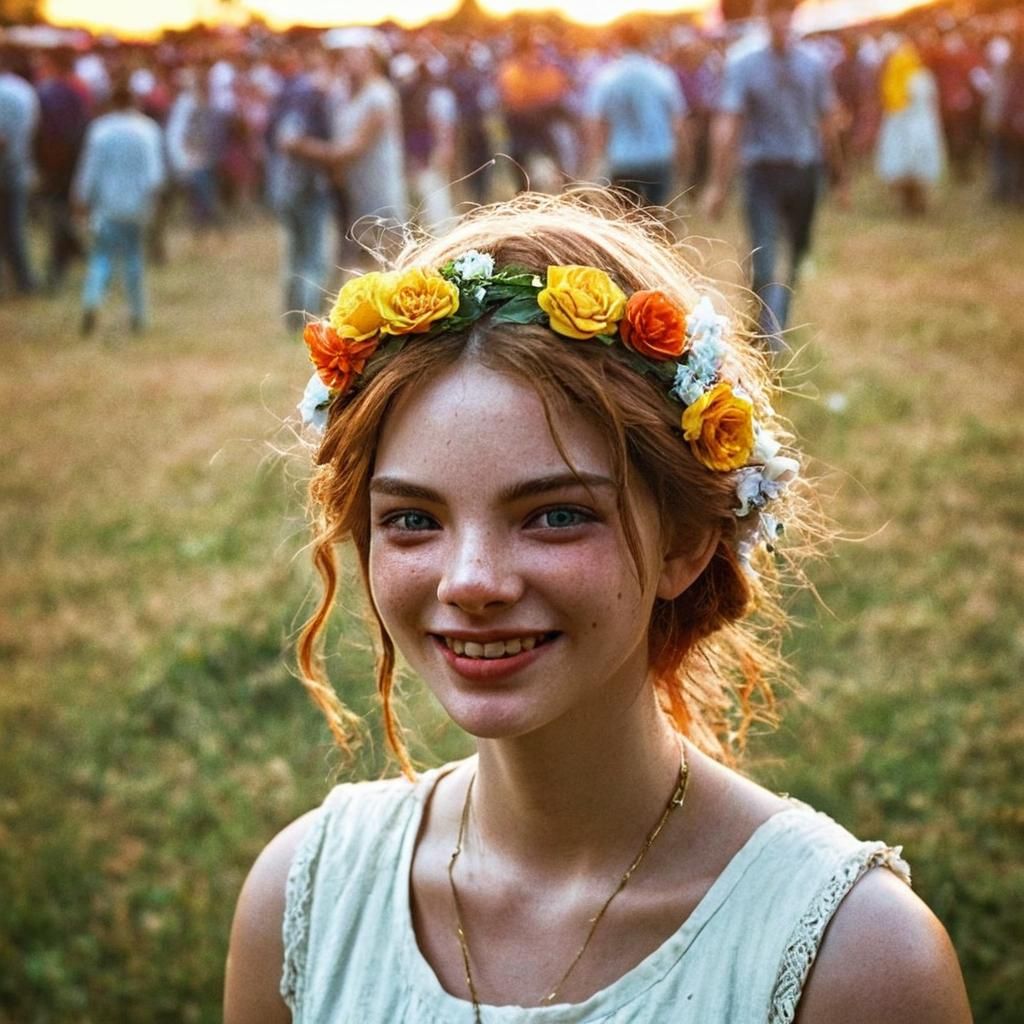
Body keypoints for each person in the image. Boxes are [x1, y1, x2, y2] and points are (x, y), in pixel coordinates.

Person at [224, 191, 971, 1023]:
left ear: (685, 541)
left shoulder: (858, 962)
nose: (471, 581)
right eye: (413, 519)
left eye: (555, 514)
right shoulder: (305, 900)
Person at [703, 0, 846, 350]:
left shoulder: (813, 64)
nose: (782, 19)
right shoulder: (743, 62)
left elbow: (827, 123)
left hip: (803, 171)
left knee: (797, 250)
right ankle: (769, 332)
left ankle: (776, 318)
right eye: (775, 11)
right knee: (764, 258)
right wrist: (718, 185)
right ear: (763, 15)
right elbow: (728, 124)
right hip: (761, 173)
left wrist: (840, 177)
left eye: (788, 11)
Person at [73, 78, 165, 335]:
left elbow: (88, 171)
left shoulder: (100, 130)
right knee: (134, 258)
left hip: (107, 205)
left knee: (101, 257)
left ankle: (92, 300)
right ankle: (137, 314)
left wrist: (80, 199)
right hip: (137, 206)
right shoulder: (147, 130)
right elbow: (155, 175)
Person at [583, 24, 689, 207]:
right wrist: (685, 160)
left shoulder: (606, 77)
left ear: (617, 43)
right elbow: (678, 123)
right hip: (659, 158)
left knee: (626, 224)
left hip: (622, 159)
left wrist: (595, 159)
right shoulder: (662, 75)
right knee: (657, 218)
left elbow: (595, 123)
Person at [875, 38, 945, 216]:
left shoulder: (893, 79)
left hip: (899, 128)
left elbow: (890, 103)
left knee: (904, 166)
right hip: (920, 127)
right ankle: (917, 204)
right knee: (917, 167)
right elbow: (930, 101)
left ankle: (909, 205)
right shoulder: (922, 78)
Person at [0, 52, 40, 298]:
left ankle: (19, 283)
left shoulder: (6, 93)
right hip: (20, 166)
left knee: (10, 230)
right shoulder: (25, 90)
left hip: (7, 168)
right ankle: (25, 282)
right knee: (15, 228)